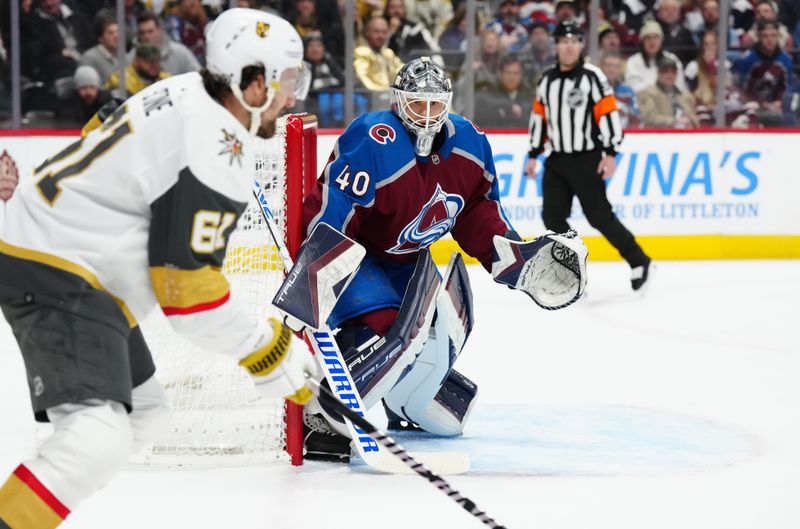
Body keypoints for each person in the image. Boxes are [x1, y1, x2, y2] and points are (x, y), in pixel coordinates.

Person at [0, 9, 317, 529]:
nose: (291, 98)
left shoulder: (191, 90)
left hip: (70, 256)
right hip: (59, 266)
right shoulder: (215, 143)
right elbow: (188, 298)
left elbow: (103, 129)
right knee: (94, 440)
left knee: (145, 413)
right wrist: (270, 353)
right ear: (250, 81)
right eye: (285, 81)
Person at [300, 56, 586, 461]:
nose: (428, 116)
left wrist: (515, 258)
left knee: (439, 357)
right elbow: (336, 209)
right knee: (386, 329)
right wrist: (318, 268)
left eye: (436, 105)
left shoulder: (470, 145)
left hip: (411, 265)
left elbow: (476, 213)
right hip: (357, 258)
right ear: (398, 102)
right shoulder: (372, 139)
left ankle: (403, 401)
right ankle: (322, 414)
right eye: (418, 104)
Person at [525, 20, 652, 291]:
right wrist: (534, 153)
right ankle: (571, 268)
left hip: (587, 158)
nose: (569, 47)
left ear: (580, 45)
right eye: (564, 41)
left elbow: (608, 114)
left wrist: (611, 153)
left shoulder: (593, 76)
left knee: (599, 216)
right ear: (557, 45)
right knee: (552, 216)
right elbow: (540, 118)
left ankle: (638, 258)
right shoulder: (546, 79)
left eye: (574, 41)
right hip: (557, 160)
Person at [637, 56, 699, 128]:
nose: (669, 75)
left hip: (686, 135)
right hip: (658, 136)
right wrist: (674, 121)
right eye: (665, 71)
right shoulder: (648, 93)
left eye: (673, 71)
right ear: (658, 73)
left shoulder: (686, 96)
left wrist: (691, 121)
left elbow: (695, 119)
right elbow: (649, 118)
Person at [105, 43, 171, 97]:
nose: (155, 65)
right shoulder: (119, 79)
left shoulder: (165, 78)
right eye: (150, 61)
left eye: (157, 61)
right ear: (136, 60)